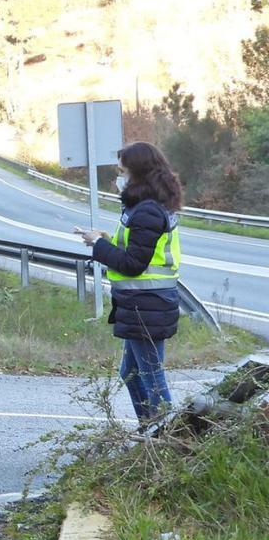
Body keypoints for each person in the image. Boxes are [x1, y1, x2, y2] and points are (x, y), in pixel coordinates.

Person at [77, 142, 183, 424]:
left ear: (138, 173)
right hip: (144, 304)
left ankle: (165, 435)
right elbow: (138, 253)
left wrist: (99, 245)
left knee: (150, 374)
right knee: (132, 372)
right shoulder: (147, 207)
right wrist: (105, 240)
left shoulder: (147, 211)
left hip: (148, 305)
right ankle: (150, 429)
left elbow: (134, 265)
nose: (119, 177)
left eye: (122, 171)